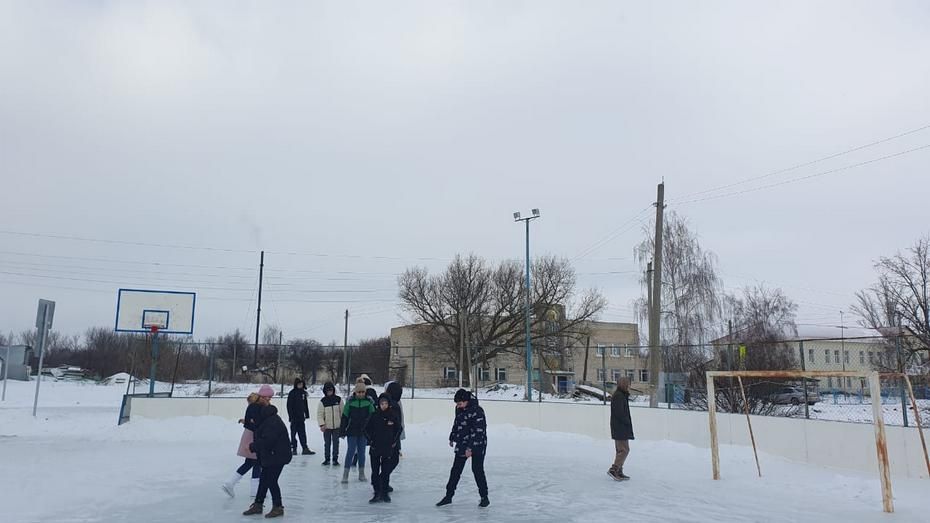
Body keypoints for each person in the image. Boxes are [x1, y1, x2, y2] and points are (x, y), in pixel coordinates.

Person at [436, 389, 489, 508]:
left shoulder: (477, 411)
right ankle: (448, 496)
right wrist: (452, 436)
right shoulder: (459, 409)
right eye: (457, 404)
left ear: (466, 401)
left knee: (477, 470)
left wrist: (470, 448)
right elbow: (457, 423)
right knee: (455, 470)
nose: (458, 406)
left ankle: (484, 497)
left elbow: (479, 431)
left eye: (460, 403)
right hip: (462, 443)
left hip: (478, 444)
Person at [242, 400, 292, 518]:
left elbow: (268, 441)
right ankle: (258, 504)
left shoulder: (271, 421)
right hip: (272, 455)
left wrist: (252, 447)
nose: (253, 421)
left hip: (279, 455)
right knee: (264, 479)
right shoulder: (264, 419)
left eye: (253, 418)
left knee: (271, 480)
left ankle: (278, 507)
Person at [222, 393, 263, 498]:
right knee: (256, 463)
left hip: (248, 436)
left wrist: (245, 421)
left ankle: (231, 482)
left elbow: (250, 421)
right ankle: (254, 491)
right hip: (253, 438)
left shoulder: (251, 408)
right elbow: (256, 422)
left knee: (250, 463)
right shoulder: (257, 408)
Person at [365, 393, 402, 503]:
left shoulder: (393, 415)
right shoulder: (374, 415)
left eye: (385, 403)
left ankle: (385, 493)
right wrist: (370, 441)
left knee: (385, 471)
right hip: (375, 447)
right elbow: (365, 429)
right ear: (378, 404)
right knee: (375, 471)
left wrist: (394, 441)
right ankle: (377, 492)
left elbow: (398, 429)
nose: (384, 405)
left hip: (387, 448)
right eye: (382, 403)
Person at [340, 382, 374, 483]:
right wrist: (342, 430)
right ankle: (345, 475)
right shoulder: (350, 402)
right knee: (350, 451)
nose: (360, 394)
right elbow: (345, 417)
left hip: (363, 432)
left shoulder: (368, 403)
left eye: (363, 392)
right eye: (359, 392)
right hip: (352, 431)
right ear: (355, 392)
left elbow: (373, 417)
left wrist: (372, 431)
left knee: (361, 453)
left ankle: (361, 473)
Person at [608, 377, 634, 481]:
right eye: (628, 384)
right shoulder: (619, 396)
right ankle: (614, 469)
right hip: (620, 427)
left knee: (621, 450)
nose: (629, 386)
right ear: (624, 384)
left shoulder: (621, 395)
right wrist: (626, 422)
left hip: (619, 427)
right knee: (624, 450)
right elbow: (620, 413)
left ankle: (619, 470)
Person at [286, 378, 315, 456]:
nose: (300, 385)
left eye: (301, 384)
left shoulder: (303, 393)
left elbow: (305, 404)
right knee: (293, 433)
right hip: (294, 417)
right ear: (296, 385)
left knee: (302, 433)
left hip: (301, 417)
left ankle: (304, 448)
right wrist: (290, 416)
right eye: (299, 384)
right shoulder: (292, 393)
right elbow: (289, 406)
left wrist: (307, 414)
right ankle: (294, 448)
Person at [317, 381, 343, 466]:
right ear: (325, 391)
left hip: (337, 426)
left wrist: (343, 424)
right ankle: (327, 458)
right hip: (327, 427)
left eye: (331, 390)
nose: (329, 392)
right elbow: (320, 414)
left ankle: (335, 459)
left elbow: (342, 412)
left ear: (333, 390)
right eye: (328, 391)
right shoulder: (322, 401)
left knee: (336, 443)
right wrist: (322, 424)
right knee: (327, 443)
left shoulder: (338, 400)